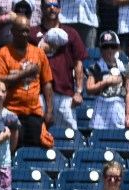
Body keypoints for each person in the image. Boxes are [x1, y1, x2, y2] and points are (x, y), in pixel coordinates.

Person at [0, 15, 53, 148]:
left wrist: (49, 111)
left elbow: (47, 84)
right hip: (10, 112)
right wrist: (26, 73)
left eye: (27, 30)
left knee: (34, 152)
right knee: (11, 152)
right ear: (12, 31)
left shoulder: (38, 53)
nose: (25, 34)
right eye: (21, 30)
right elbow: (0, 81)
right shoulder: (2, 54)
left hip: (34, 113)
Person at [30, 0, 86, 132]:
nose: (52, 8)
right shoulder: (33, 33)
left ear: (60, 8)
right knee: (38, 133)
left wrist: (79, 92)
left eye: (55, 5)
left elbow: (79, 63)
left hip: (64, 94)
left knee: (69, 135)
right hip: (39, 94)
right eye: (48, 5)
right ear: (42, 8)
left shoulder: (71, 33)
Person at [86, 30, 129, 130]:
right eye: (106, 47)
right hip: (101, 109)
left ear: (118, 48)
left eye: (113, 46)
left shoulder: (124, 68)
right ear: (101, 49)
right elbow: (89, 89)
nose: (109, 50)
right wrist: (106, 82)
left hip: (118, 108)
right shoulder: (95, 67)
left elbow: (128, 93)